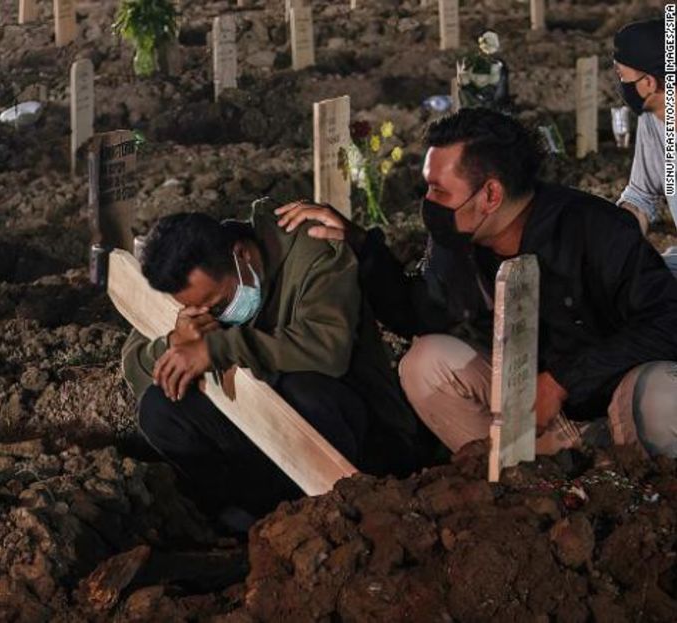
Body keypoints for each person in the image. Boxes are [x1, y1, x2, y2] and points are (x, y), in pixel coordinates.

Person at [276, 108, 677, 458]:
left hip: (614, 402)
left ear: (490, 195)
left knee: (663, 397)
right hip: (537, 413)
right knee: (425, 363)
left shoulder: (596, 230)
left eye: (438, 190)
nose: (428, 203)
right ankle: (527, 481)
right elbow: (419, 312)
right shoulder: (457, 242)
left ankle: (627, 485)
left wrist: (563, 381)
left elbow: (667, 320)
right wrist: (361, 246)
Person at [121, 203, 426, 517]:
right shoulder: (184, 280)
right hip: (265, 437)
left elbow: (328, 350)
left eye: (218, 304)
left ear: (241, 255)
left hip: (359, 432)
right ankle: (250, 514)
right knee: (160, 408)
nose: (212, 316)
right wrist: (174, 342)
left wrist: (217, 348)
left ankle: (330, 511)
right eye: (198, 310)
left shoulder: (311, 246)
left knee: (299, 386)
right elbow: (135, 367)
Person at [612, 18, 677, 274]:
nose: (619, 84)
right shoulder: (653, 120)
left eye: (621, 75)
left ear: (649, 82)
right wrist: (612, 244)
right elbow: (641, 195)